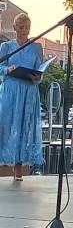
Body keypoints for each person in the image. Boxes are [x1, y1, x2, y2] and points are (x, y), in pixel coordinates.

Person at [0, 13, 45, 180]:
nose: (24, 31)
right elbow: (0, 67)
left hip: (28, 90)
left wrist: (37, 77)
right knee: (6, 125)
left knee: (24, 127)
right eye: (20, 27)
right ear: (14, 28)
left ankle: (18, 166)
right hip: (11, 90)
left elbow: (40, 70)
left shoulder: (36, 47)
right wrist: (7, 69)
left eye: (26, 28)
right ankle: (4, 161)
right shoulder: (6, 46)